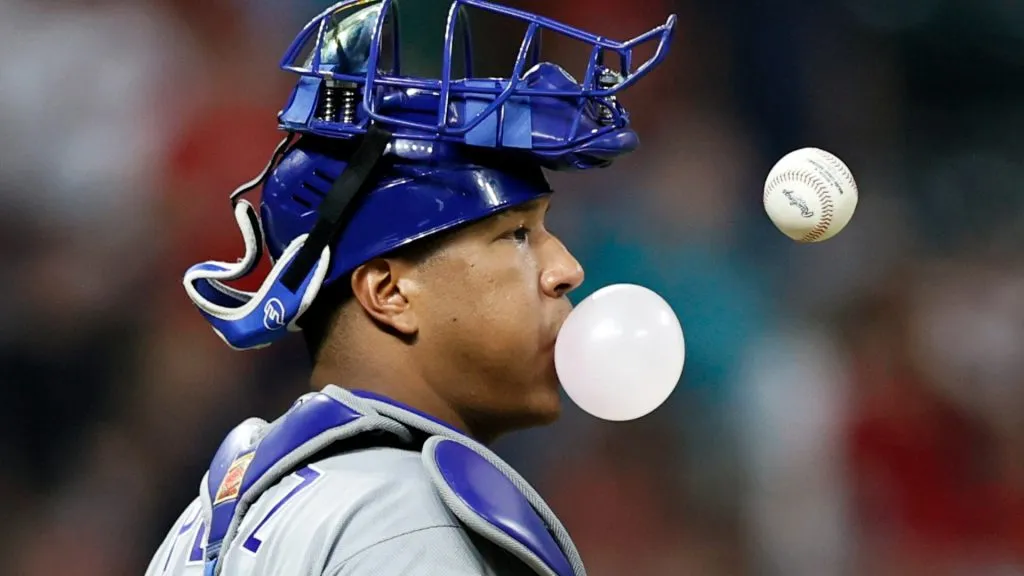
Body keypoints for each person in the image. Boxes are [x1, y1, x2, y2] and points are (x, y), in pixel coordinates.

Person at [146, 0, 676, 574]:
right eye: (517, 234)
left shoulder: (208, 518)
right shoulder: (404, 521)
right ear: (390, 292)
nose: (567, 268)